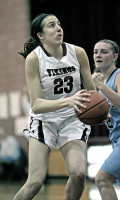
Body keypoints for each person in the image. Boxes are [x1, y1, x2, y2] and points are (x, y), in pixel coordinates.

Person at [13, 13, 96, 200]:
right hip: (45, 120)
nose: (58, 28)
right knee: (35, 181)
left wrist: (101, 111)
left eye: (59, 24)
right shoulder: (34, 59)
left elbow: (91, 93)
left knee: (78, 174)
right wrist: (68, 100)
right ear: (40, 35)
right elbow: (36, 104)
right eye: (51, 25)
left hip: (72, 119)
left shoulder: (78, 53)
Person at [92, 39, 120, 200]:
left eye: (104, 51)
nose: (98, 55)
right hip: (115, 139)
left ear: (114, 56)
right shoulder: (100, 83)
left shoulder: (118, 76)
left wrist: (101, 86)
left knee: (102, 179)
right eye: (96, 52)